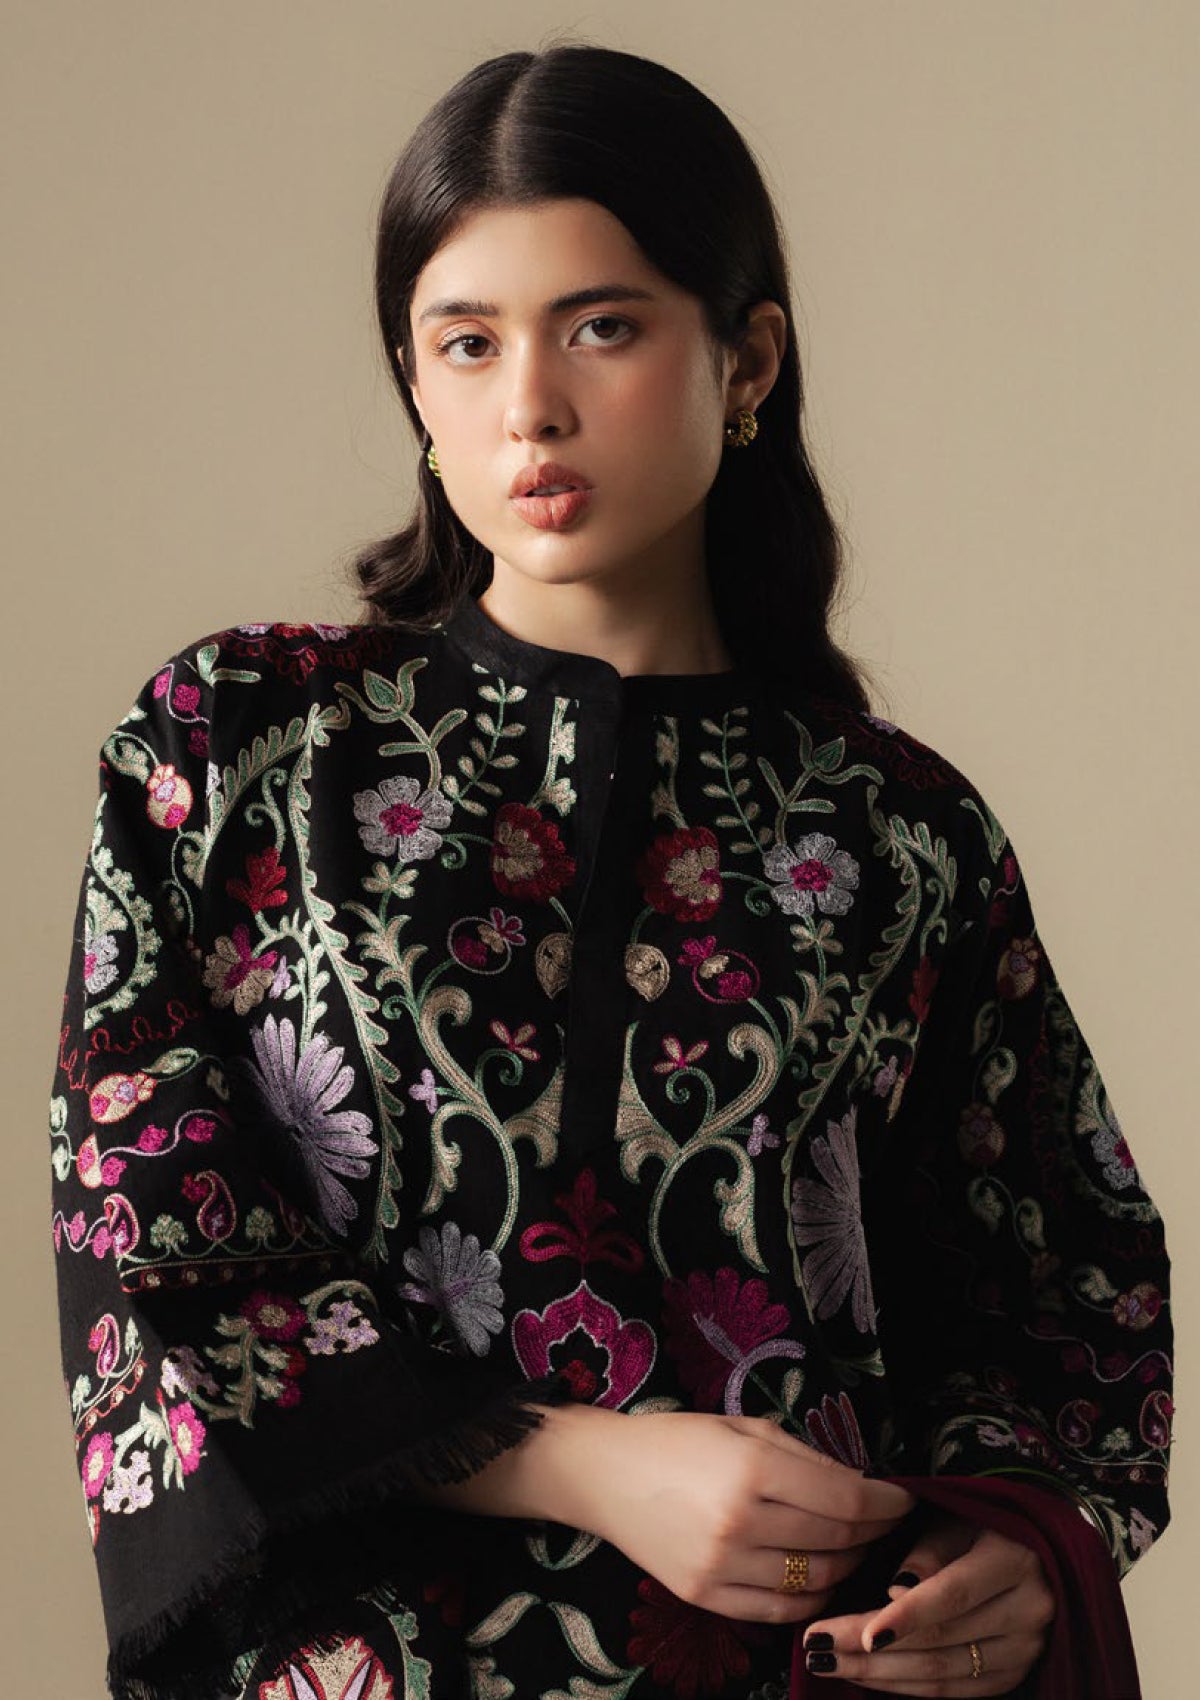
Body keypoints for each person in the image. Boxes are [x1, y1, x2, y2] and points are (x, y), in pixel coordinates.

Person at [49, 41, 1171, 1700]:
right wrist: (577, 1462)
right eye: (467, 342)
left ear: (746, 358)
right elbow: (146, 1240)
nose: (531, 406)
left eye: (602, 327)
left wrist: (1006, 1551)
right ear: (414, 384)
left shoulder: (900, 833)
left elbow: (1061, 1297)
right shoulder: (236, 753)